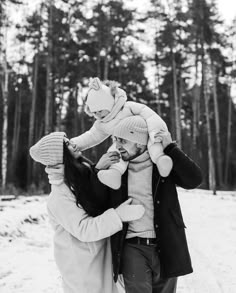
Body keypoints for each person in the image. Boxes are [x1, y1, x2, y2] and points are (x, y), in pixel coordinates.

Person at [96, 116, 202, 293]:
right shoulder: (116, 170)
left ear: (139, 142)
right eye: (115, 140)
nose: (117, 145)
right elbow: (94, 201)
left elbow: (194, 179)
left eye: (122, 140)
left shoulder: (162, 165)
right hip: (132, 245)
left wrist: (171, 148)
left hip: (166, 243)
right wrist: (98, 169)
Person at [29, 131, 145, 293]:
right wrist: (118, 215)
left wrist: (98, 170)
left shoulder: (80, 176)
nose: (74, 144)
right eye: (67, 144)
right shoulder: (59, 196)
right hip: (82, 269)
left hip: (99, 259)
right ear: (60, 155)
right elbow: (84, 229)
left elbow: (93, 196)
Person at [70, 77, 173, 190]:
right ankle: (114, 174)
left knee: (154, 144)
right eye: (94, 112)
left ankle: (161, 161)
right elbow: (91, 136)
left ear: (109, 103)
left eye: (100, 110)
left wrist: (156, 131)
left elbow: (150, 115)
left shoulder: (127, 107)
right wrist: (74, 144)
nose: (98, 115)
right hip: (122, 144)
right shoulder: (102, 123)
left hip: (145, 135)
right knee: (114, 152)